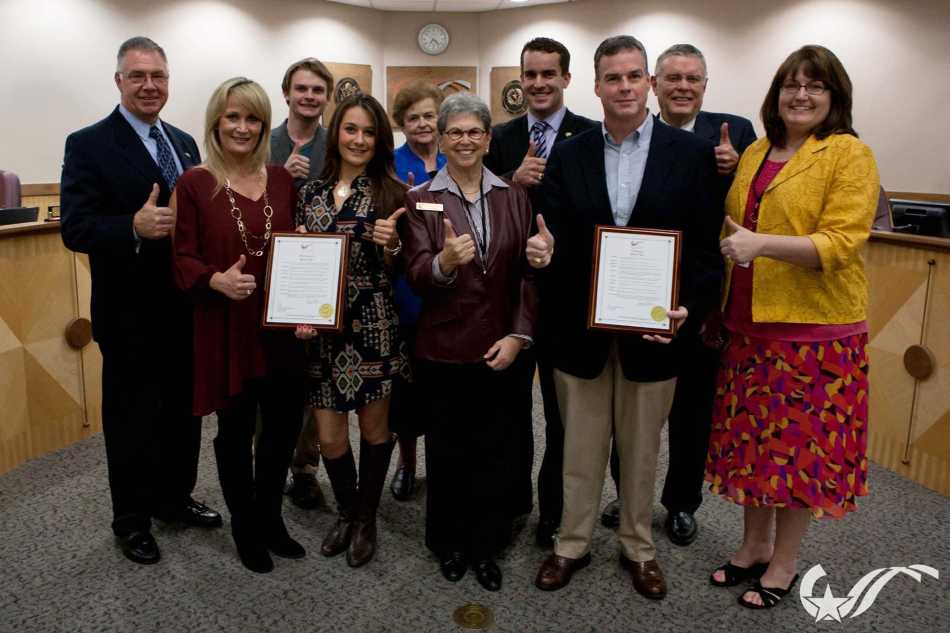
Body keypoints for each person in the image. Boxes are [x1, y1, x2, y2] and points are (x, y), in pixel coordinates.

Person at [533, 35, 721, 600]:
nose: (624, 87)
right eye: (612, 78)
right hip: (579, 331)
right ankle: (571, 543)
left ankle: (639, 547)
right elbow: (556, 240)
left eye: (634, 76)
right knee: (578, 447)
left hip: (655, 332)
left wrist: (688, 306)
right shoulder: (569, 154)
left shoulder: (688, 155)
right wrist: (544, 255)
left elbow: (705, 250)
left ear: (651, 84)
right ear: (596, 86)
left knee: (641, 451)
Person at [707, 44, 878, 609]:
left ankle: (784, 562)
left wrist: (763, 247)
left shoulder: (848, 155)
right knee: (754, 449)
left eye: (815, 87)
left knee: (800, 456)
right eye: (791, 85)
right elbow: (734, 230)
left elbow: (844, 241)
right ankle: (752, 546)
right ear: (776, 94)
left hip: (814, 336)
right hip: (748, 326)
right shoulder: (757, 151)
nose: (800, 96)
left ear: (835, 98)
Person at [60, 36, 221, 566]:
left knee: (182, 413)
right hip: (129, 314)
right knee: (131, 420)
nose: (150, 86)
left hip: (185, 309)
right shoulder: (88, 144)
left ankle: (173, 499)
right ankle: (131, 519)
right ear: (119, 82)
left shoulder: (185, 144)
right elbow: (76, 228)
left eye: (159, 76)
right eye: (138, 76)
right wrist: (130, 224)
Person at [400, 93, 539, 591]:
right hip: (443, 349)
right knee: (447, 451)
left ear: (487, 138)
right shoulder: (422, 200)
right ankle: (449, 542)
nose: (464, 140)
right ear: (440, 138)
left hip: (500, 349)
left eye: (474, 132)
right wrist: (444, 263)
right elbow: (415, 272)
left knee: (494, 451)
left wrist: (519, 336)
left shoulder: (512, 196)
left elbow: (526, 275)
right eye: (454, 132)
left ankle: (486, 544)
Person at [173, 77, 306, 574]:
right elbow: (182, 258)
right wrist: (214, 281)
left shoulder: (283, 179)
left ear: (264, 125)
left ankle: (272, 519)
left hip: (285, 329)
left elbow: (307, 250)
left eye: (252, 118)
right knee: (235, 432)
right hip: (227, 326)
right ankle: (246, 526)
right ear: (216, 122)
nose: (242, 127)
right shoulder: (194, 183)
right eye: (233, 116)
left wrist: (314, 308)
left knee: (281, 431)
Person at [483, 36, 599, 547]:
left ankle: (553, 512)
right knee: (509, 413)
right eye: (530, 74)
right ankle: (512, 507)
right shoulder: (500, 137)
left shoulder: (591, 137)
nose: (538, 83)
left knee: (562, 417)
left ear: (566, 79)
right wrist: (512, 180)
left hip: (568, 300)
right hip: (510, 300)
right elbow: (474, 207)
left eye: (548, 74)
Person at [649, 43, 758, 547]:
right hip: (640, 290)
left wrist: (738, 170)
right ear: (655, 85)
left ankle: (680, 503)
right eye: (673, 78)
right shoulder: (634, 134)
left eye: (693, 78)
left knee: (693, 411)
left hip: (704, 296)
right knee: (633, 408)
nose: (683, 87)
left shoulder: (733, 135)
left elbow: (755, 204)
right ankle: (629, 496)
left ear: (705, 86)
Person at [295, 93, 410, 569]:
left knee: (373, 428)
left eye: (368, 131)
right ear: (335, 133)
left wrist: (393, 246)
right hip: (324, 329)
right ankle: (347, 508)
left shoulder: (393, 192)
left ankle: (366, 518)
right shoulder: (309, 193)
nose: (359, 139)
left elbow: (406, 271)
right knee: (331, 436)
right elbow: (298, 265)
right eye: (350, 129)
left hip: (374, 323)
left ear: (379, 138)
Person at [269, 57, 335, 511]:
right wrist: (279, 178)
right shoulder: (262, 140)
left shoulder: (335, 143)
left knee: (314, 375)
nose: (309, 96)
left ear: (326, 97)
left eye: (317, 90)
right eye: (302, 88)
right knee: (270, 377)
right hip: (268, 270)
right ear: (286, 93)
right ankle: (267, 465)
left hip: (320, 272)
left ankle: (304, 469)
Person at [387, 81, 447, 501]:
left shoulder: (456, 158)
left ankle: (444, 464)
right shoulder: (390, 164)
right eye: (414, 118)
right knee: (407, 393)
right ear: (401, 124)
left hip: (453, 293)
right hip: (408, 293)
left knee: (445, 389)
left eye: (429, 115)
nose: (423, 123)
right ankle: (407, 464)